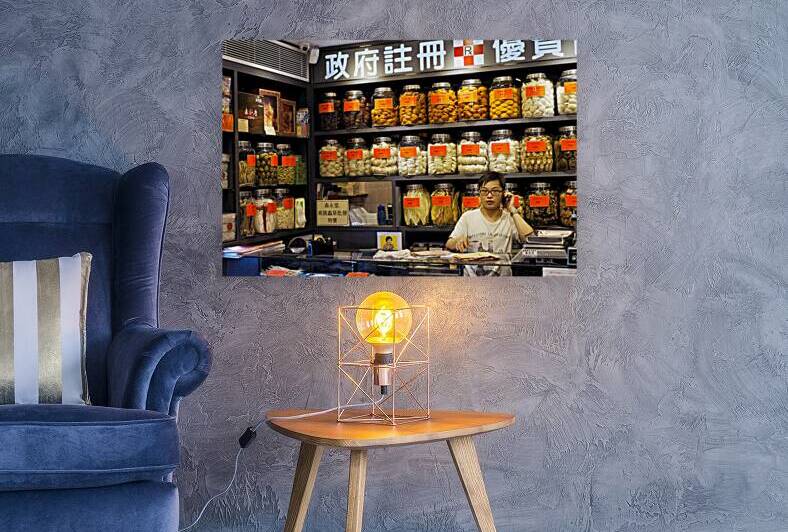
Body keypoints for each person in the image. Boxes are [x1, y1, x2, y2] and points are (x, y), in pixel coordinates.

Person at [445, 172, 534, 276]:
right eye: (484, 191)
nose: (489, 195)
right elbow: (449, 244)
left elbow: (530, 239)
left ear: (503, 193)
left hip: (503, 282)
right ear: (479, 193)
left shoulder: (510, 218)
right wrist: (457, 240)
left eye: (495, 191)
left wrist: (512, 209)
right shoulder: (468, 217)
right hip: (472, 282)